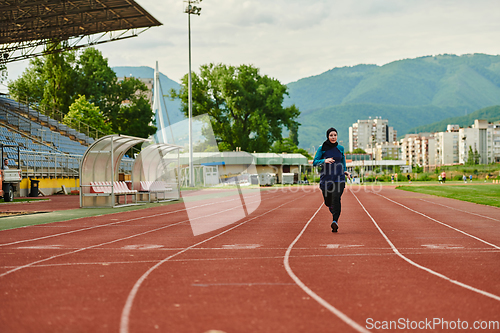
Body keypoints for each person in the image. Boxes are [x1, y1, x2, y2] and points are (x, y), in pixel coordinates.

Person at [313, 127, 351, 233]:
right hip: (326, 179)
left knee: (336, 198)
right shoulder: (322, 148)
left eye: (335, 135)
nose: (333, 137)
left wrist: (345, 171)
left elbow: (342, 160)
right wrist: (324, 160)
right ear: (327, 136)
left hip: (339, 178)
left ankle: (335, 221)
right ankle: (331, 207)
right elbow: (315, 162)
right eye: (331, 135)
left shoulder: (341, 148)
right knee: (328, 201)